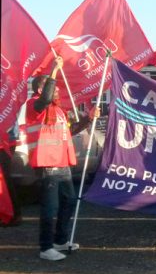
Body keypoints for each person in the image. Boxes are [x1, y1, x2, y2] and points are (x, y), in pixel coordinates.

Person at [26, 56, 99, 261]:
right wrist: (55, 71)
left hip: (63, 164)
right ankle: (45, 247)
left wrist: (88, 119)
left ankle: (60, 240)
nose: (57, 90)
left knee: (68, 202)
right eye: (52, 87)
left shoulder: (59, 111)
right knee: (50, 208)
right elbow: (44, 99)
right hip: (47, 164)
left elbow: (72, 130)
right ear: (41, 90)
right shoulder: (35, 105)